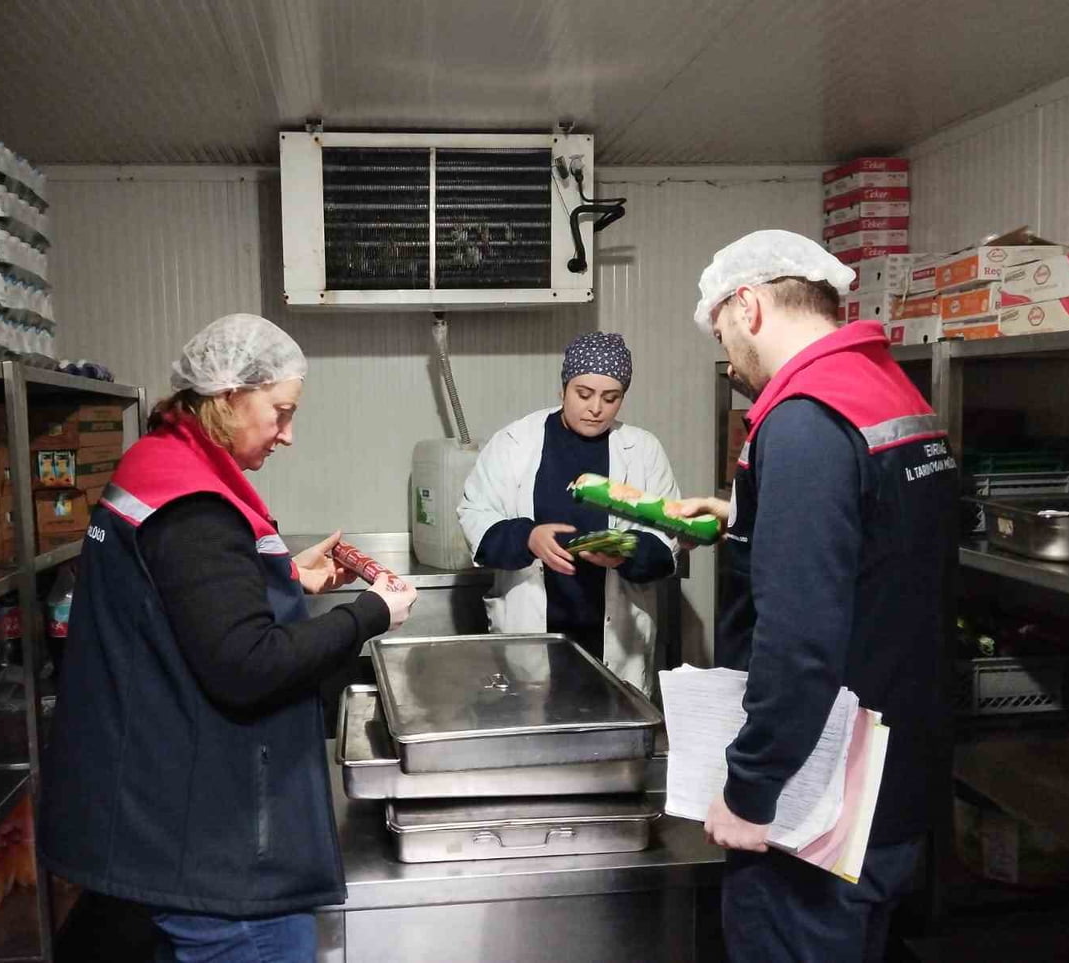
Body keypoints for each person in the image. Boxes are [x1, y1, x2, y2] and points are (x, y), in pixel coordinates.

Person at [39, 313, 418, 963]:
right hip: (217, 852)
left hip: (162, 816)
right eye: (280, 411)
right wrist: (371, 612)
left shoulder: (157, 463)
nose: (288, 434)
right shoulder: (195, 504)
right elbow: (246, 664)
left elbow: (182, 601)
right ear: (226, 395)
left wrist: (284, 577)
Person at [676, 230, 958, 963]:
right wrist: (746, 523)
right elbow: (876, 552)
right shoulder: (890, 389)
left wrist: (750, 788)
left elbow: (799, 637)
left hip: (822, 802)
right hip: (898, 784)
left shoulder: (804, 416)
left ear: (749, 306)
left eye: (722, 333)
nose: (730, 359)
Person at [457, 331, 681, 694]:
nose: (596, 408)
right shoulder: (515, 443)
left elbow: (666, 538)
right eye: (583, 394)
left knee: (613, 733)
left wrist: (626, 549)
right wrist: (527, 537)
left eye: (611, 398)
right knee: (534, 733)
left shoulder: (642, 450)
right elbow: (474, 514)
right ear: (562, 389)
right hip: (532, 632)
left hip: (614, 639)